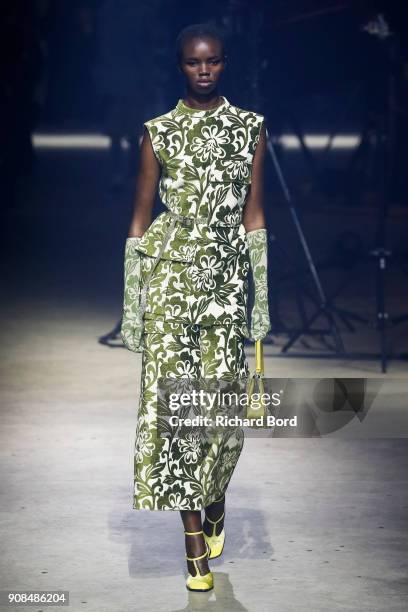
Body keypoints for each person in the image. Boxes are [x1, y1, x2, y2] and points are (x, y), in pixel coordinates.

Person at [120, 22, 270, 592]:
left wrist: (262, 300)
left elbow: (254, 215)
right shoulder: (158, 133)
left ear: (225, 63)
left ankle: (214, 497)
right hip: (169, 284)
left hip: (227, 285)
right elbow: (139, 219)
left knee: (221, 412)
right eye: (192, 62)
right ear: (179, 65)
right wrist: (133, 304)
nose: (202, 70)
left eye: (211, 62)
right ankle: (192, 550)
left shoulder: (250, 128)